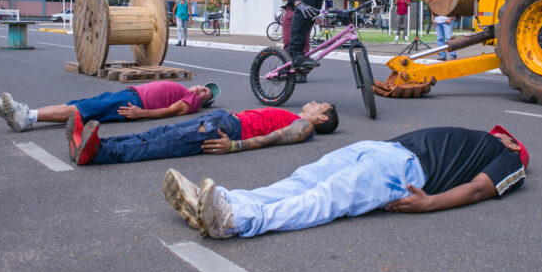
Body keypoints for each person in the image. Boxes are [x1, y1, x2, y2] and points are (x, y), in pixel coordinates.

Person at [165, 124, 528, 239]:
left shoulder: (512, 159)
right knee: (301, 180)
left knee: (327, 198)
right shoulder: (485, 137)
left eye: (509, 137)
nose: (503, 135)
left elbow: (481, 188)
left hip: (407, 170)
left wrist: (430, 203)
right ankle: (221, 200)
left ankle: (236, 221)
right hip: (383, 149)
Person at [67, 100, 339, 173]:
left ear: (322, 117)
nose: (314, 102)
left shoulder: (305, 127)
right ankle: (96, 145)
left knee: (163, 143)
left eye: (320, 105)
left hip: (225, 131)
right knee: (157, 132)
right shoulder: (297, 117)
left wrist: (235, 146)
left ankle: (99, 154)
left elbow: (277, 137)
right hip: (224, 120)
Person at [0, 80, 221, 133]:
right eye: (202, 87)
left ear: (203, 101)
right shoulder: (185, 89)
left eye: (205, 94)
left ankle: (26, 116)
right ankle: (25, 114)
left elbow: (171, 111)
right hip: (128, 94)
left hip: (133, 103)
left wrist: (142, 113)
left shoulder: (190, 101)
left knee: (84, 110)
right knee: (81, 105)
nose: (201, 90)